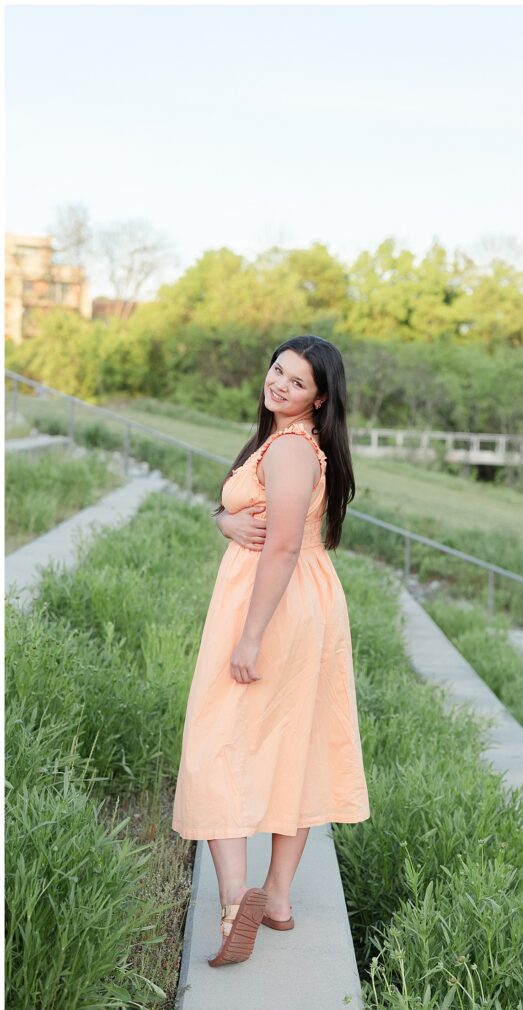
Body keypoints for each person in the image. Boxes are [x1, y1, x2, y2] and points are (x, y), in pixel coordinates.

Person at [171, 335, 371, 967]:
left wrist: (251, 634)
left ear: (319, 400)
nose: (280, 384)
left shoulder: (288, 449)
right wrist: (224, 520)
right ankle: (277, 900)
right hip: (304, 599)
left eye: (298, 381)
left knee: (217, 737)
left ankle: (237, 899)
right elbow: (256, 517)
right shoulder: (290, 445)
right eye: (278, 369)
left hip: (272, 603)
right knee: (298, 741)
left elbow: (281, 547)